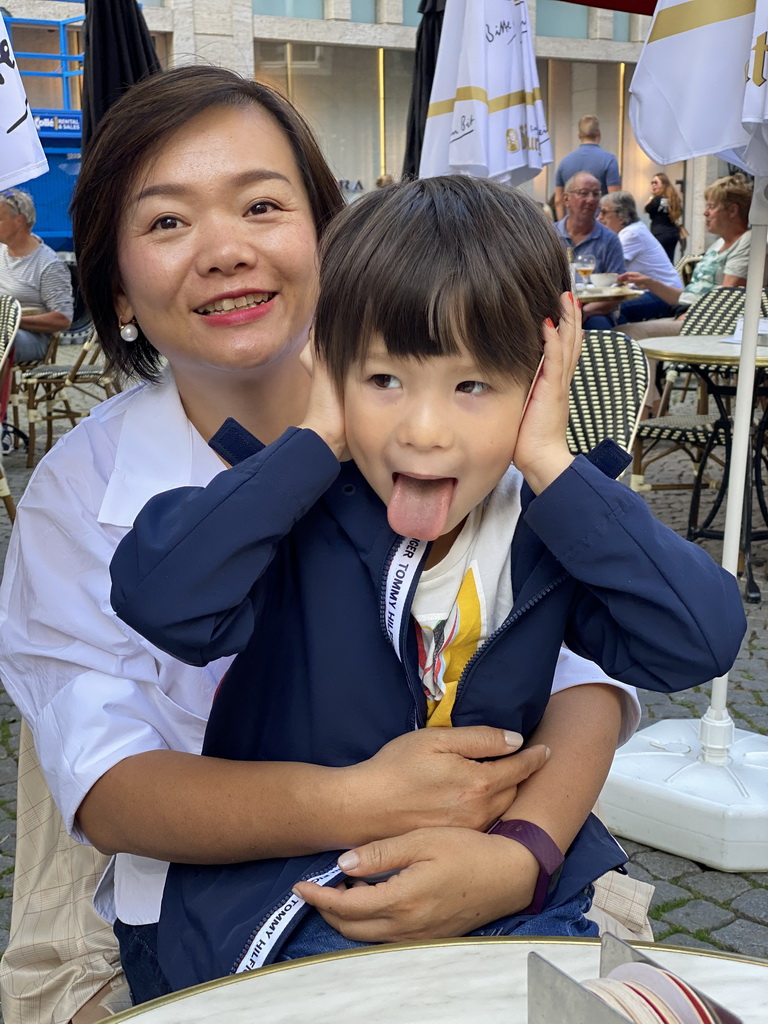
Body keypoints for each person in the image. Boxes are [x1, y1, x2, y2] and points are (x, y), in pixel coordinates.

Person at [0, 67, 615, 1020]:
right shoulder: (81, 495)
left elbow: (582, 671)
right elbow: (108, 784)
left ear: (332, 241)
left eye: (261, 204)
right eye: (166, 222)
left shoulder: (449, 426)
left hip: (496, 862)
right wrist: (367, 802)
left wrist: (519, 856)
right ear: (116, 289)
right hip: (221, 910)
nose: (224, 250)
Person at [110, 176, 745, 995]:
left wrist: (552, 464)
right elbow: (161, 598)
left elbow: (699, 637)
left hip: (506, 892)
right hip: (298, 906)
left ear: (542, 379)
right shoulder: (289, 512)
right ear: (330, 369)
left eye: (472, 385)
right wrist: (313, 438)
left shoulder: (547, 534)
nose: (423, 429)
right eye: (383, 380)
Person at [618, 173, 751, 338]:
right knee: (617, 323)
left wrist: (689, 316)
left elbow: (726, 299)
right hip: (688, 314)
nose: (705, 213)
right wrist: (649, 282)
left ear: (732, 210)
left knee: (626, 333)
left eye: (711, 206)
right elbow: (686, 298)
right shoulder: (718, 244)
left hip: (709, 325)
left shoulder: (747, 242)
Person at [0, 188, 73, 362]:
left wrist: (13, 320)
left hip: (32, 338)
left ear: (19, 221)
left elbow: (63, 320)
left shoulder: (48, 264)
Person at [596, 191, 683, 322]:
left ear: (622, 216)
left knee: (616, 309)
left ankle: (621, 341)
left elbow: (605, 269)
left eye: (604, 212)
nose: (599, 217)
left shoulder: (632, 234)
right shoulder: (632, 230)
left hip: (665, 295)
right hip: (651, 291)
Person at [555, 171, 625, 330]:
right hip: (556, 309)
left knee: (598, 329)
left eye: (596, 194)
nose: (591, 199)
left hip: (594, 312)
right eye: (583, 193)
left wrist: (584, 312)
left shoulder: (609, 240)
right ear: (566, 198)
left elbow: (618, 289)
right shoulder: (550, 235)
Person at [553, 115, 620, 220]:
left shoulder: (564, 162)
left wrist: (562, 226)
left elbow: (558, 200)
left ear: (579, 135)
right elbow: (615, 199)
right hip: (598, 225)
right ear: (599, 134)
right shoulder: (609, 160)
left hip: (571, 226)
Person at [645, 172, 683, 262]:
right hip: (673, 233)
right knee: (669, 261)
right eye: (652, 183)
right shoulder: (672, 198)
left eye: (656, 183)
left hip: (659, 233)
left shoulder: (657, 199)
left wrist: (651, 197)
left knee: (658, 261)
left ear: (663, 184)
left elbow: (647, 208)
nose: (653, 185)